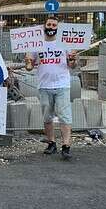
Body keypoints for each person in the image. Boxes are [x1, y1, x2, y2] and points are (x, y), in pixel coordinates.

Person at [25, 16, 77, 160]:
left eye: (54, 25)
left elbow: (72, 65)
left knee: (65, 117)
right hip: (44, 86)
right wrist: (28, 62)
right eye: (49, 24)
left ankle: (66, 146)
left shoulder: (65, 44)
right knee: (47, 118)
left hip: (62, 85)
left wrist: (73, 60)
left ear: (57, 28)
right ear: (44, 26)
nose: (51, 27)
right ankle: (51, 143)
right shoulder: (36, 44)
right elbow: (29, 67)